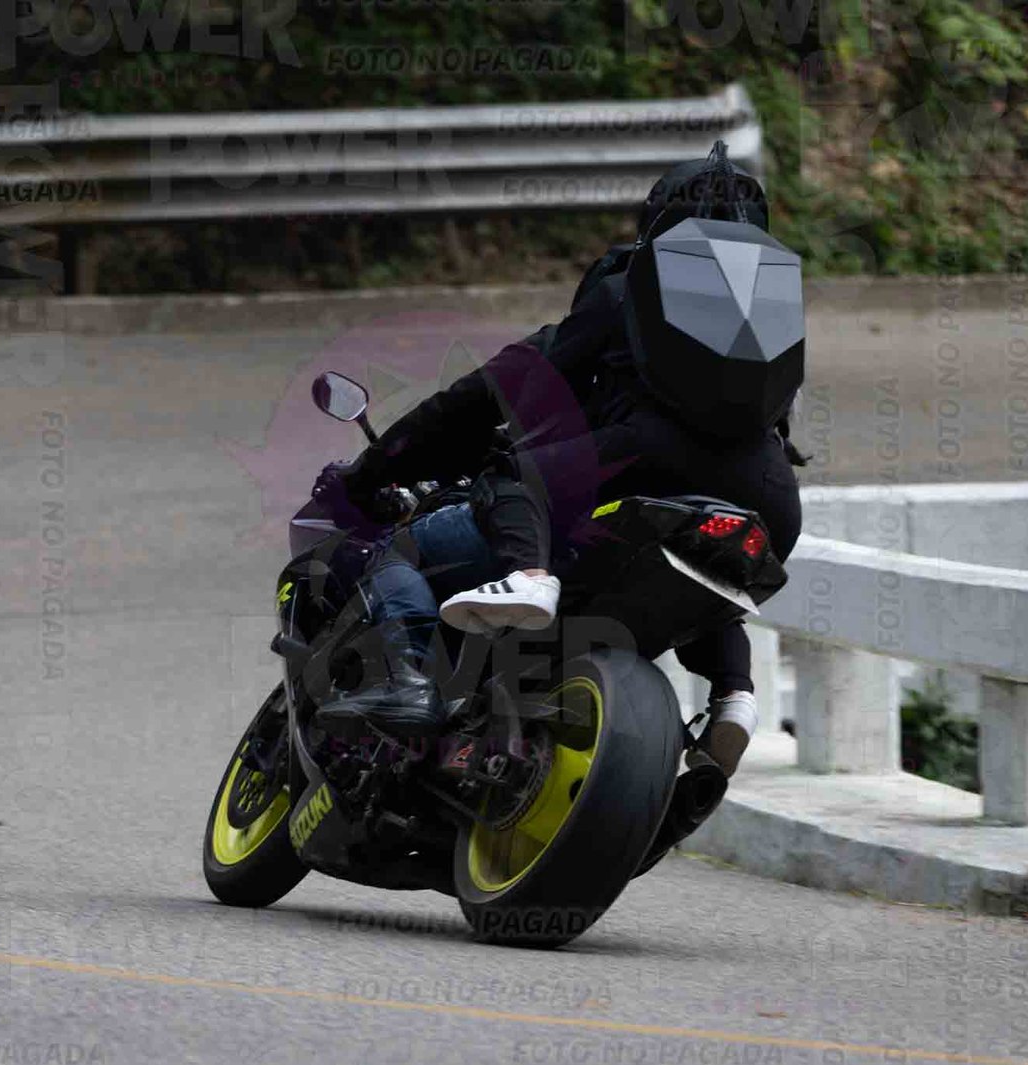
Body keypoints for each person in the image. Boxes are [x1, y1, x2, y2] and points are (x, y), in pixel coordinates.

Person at [315, 142, 804, 782]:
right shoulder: (770, 311)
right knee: (708, 578)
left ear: (654, 223)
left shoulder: (627, 290)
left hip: (639, 461)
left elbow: (496, 391)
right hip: (771, 500)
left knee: (443, 522)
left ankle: (457, 638)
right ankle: (734, 696)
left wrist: (369, 474)